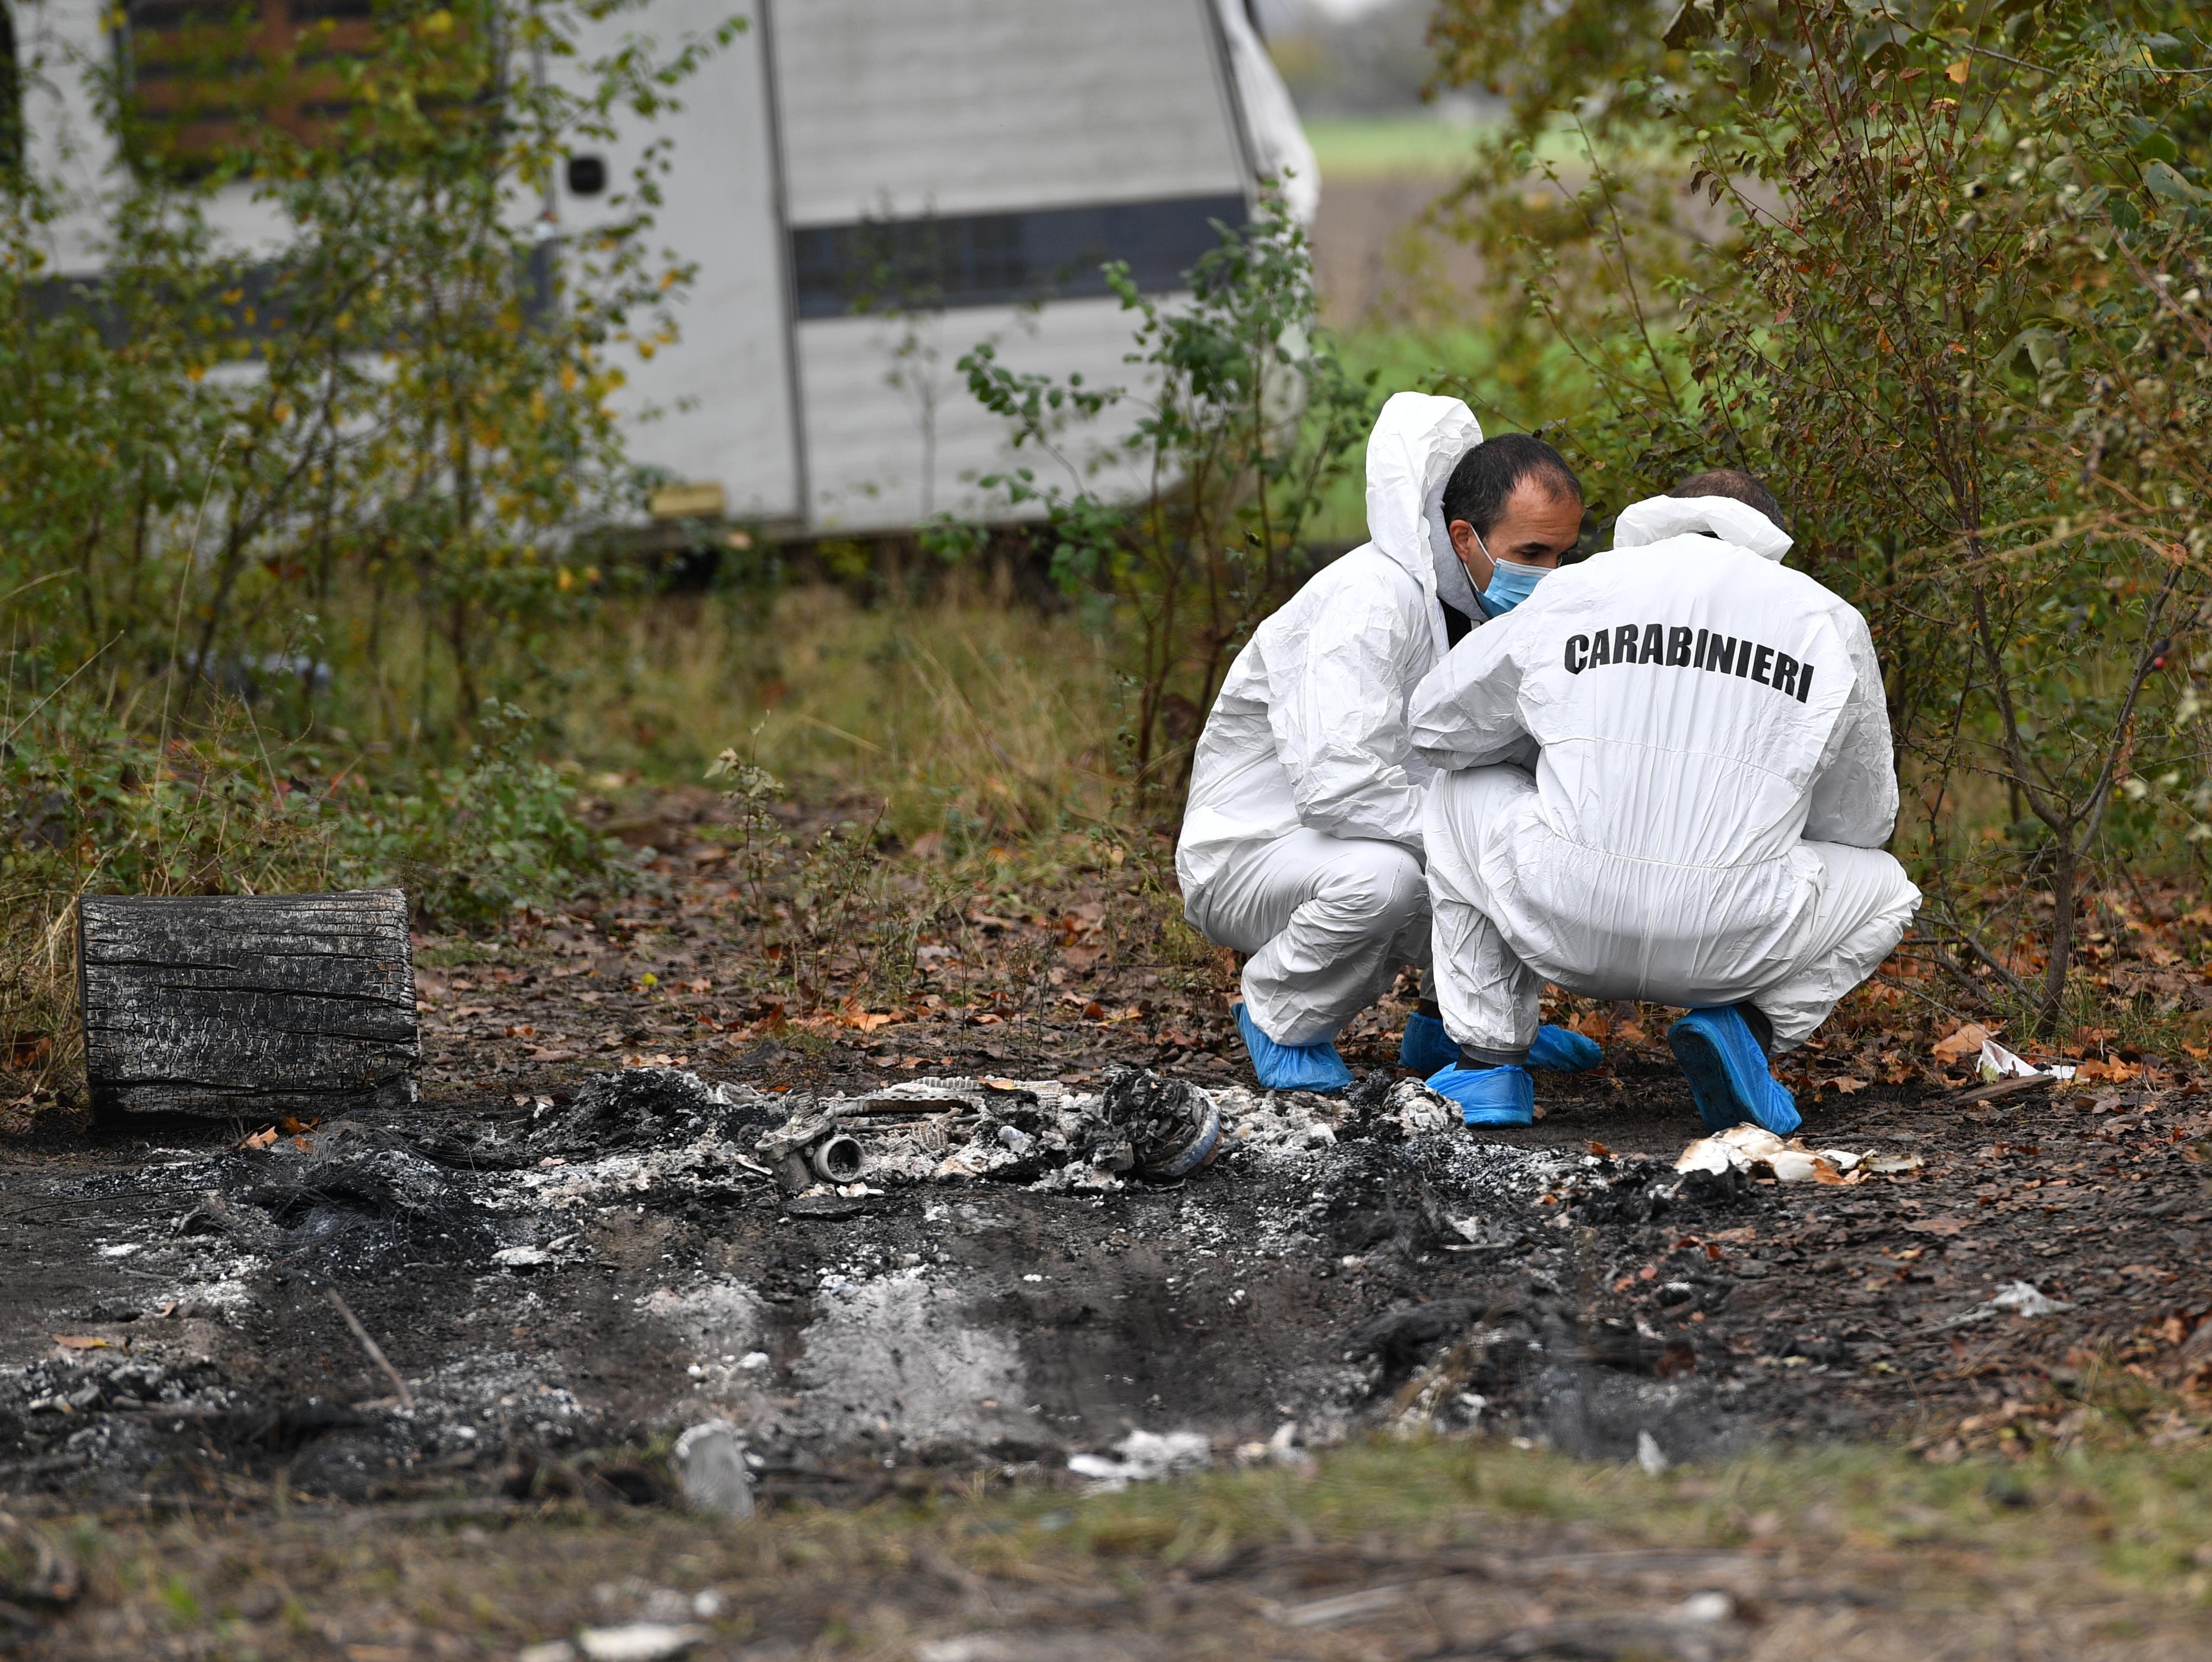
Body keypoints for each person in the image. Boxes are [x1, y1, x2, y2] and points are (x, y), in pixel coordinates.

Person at [1408, 470, 1921, 1128]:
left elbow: (1434, 723)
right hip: (1733, 939)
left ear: (1664, 516)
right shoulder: (1829, 621)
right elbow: (1864, 819)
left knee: (1459, 789)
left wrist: (1540, 751)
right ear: (1765, 532)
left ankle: (1487, 1066)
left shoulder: (1577, 590)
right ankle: (1746, 1031)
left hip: (1565, 918)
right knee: (1888, 886)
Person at [1177, 392, 1604, 1090]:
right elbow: (1336, 787)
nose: (1548, 574)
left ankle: (1455, 1027)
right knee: (1395, 879)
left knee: (1502, 818)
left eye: (1561, 554)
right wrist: (1480, 834)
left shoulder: (1471, 610)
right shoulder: (1370, 601)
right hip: (1256, 851)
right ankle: (1279, 1014)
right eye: (1531, 552)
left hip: (1351, 838)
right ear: (1465, 538)